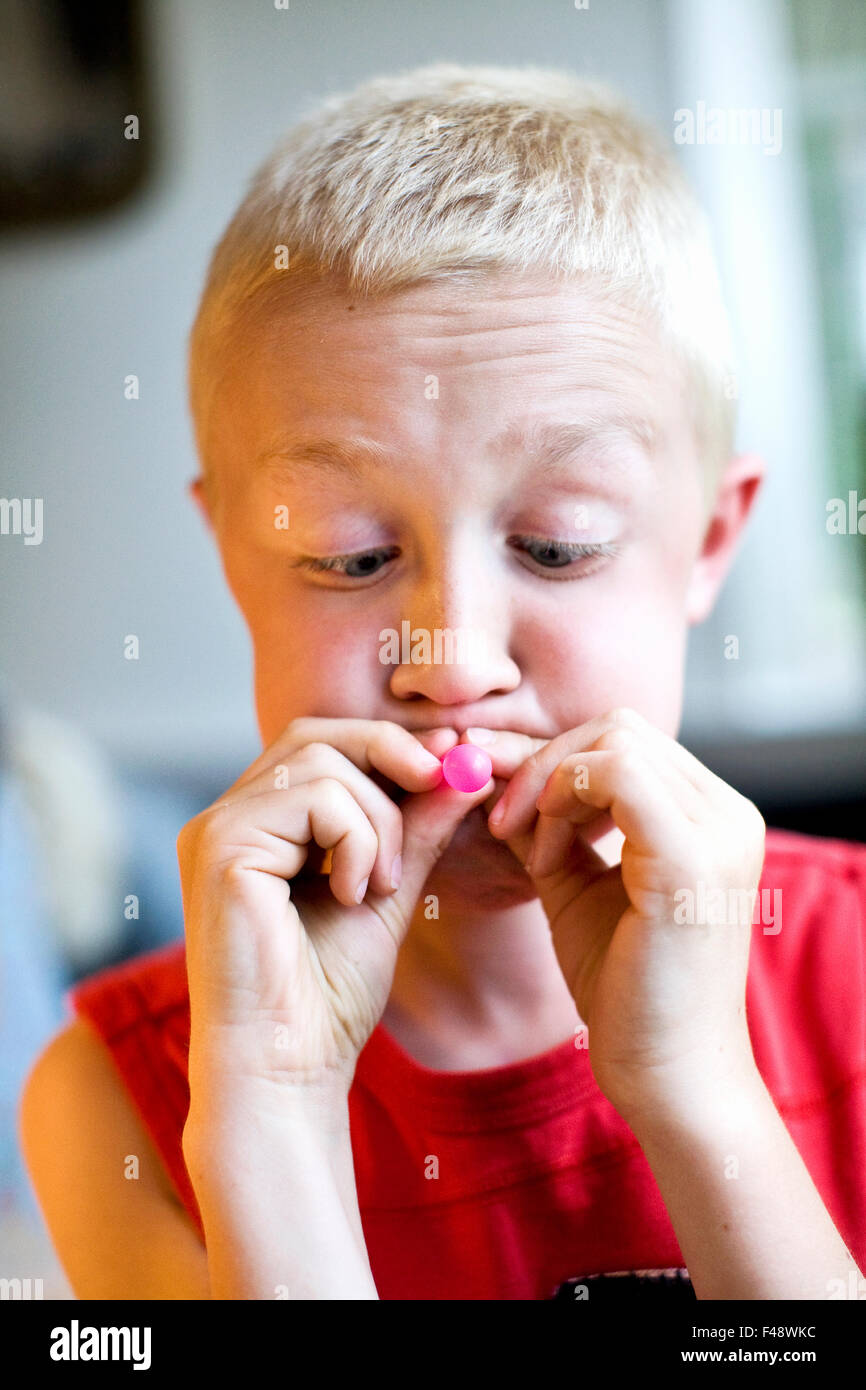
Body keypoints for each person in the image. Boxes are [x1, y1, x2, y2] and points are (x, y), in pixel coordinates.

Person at [18, 63, 866, 1301]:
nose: (452, 662)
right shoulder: (118, 1103)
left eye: (558, 545)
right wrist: (272, 1118)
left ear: (710, 545)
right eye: (349, 555)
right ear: (234, 562)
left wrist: (700, 1096)